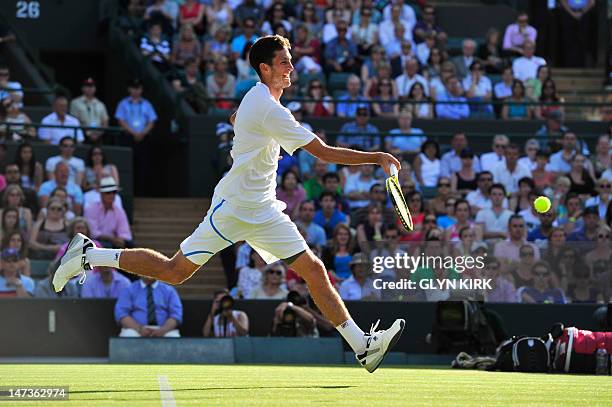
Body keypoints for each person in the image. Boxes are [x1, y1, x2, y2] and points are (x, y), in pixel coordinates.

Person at [53, 35, 405, 373]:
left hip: (265, 208)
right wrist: (378, 157)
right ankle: (89, 255)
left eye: (291, 62)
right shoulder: (269, 109)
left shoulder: (256, 98)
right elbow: (324, 154)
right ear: (265, 69)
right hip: (235, 207)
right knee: (175, 272)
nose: (291, 68)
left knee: (313, 270)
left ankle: (362, 345)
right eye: (284, 62)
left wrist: (242, 127)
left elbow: (236, 119)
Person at [115, 277, 182, 337]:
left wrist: (163, 330)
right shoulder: (129, 289)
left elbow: (176, 315)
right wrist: (139, 329)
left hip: (163, 329)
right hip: (135, 329)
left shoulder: (169, 290)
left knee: (173, 337)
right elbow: (122, 314)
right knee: (128, 335)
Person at [84, 177, 133, 249]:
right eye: (108, 193)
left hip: (114, 241)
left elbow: (125, 232)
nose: (111, 195)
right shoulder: (91, 209)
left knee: (131, 245)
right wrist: (112, 239)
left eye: (114, 192)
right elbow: (93, 233)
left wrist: (120, 239)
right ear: (101, 194)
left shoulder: (119, 211)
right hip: (96, 241)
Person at [69, 77, 109, 144]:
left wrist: (99, 133)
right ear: (82, 88)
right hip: (82, 135)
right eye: (87, 86)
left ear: (95, 88)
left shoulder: (100, 104)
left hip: (98, 137)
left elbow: (105, 121)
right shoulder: (75, 103)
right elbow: (74, 120)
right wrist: (87, 133)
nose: (90, 88)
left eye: (92, 86)